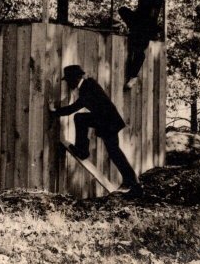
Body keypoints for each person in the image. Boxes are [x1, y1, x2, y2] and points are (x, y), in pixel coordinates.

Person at [49, 65, 142, 196]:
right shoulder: (86, 85)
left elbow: (73, 108)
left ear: (76, 78)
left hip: (109, 122)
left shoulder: (87, 88)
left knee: (114, 152)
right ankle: (132, 180)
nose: (69, 83)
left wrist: (55, 111)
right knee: (81, 119)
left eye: (69, 80)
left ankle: (131, 181)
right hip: (106, 120)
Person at [118, 0, 167, 89]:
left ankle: (133, 77)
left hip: (148, 25)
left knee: (138, 51)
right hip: (138, 21)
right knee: (123, 10)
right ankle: (133, 28)